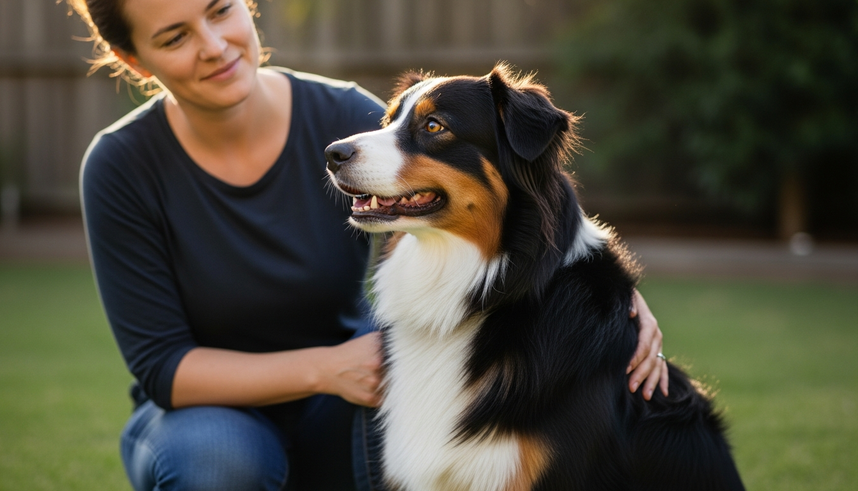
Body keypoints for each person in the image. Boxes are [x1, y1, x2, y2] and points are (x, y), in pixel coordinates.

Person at [70, 0, 669, 489]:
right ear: (134, 60)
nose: (214, 44)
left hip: (352, 392)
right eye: (175, 37)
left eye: (221, 10)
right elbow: (163, 367)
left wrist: (615, 301)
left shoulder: (351, 115)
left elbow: (518, 193)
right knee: (220, 463)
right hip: (209, 412)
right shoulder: (120, 165)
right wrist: (328, 369)